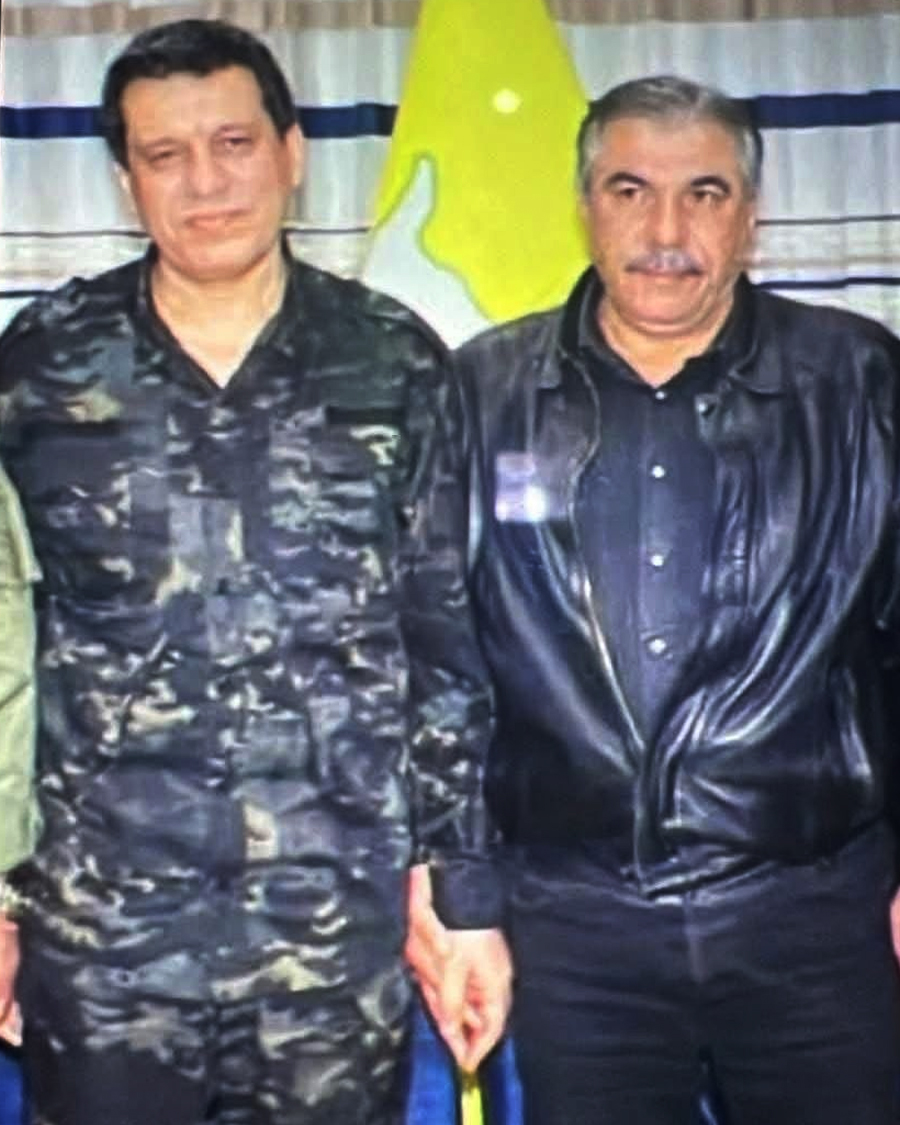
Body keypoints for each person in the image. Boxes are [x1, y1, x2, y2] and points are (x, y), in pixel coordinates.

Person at [0, 19, 510, 1125]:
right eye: (165, 154)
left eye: (233, 143)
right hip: (105, 945)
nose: (205, 183)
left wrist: (461, 896)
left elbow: (444, 643)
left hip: (329, 942)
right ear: (126, 178)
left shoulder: (393, 360)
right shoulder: (38, 369)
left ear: (291, 152)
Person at [411, 74, 900, 1125]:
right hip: (578, 926)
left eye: (704, 194)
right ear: (585, 206)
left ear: (751, 217)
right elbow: (445, 663)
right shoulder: (484, 392)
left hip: (813, 912)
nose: (666, 232)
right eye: (630, 191)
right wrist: (464, 898)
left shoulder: (858, 382)